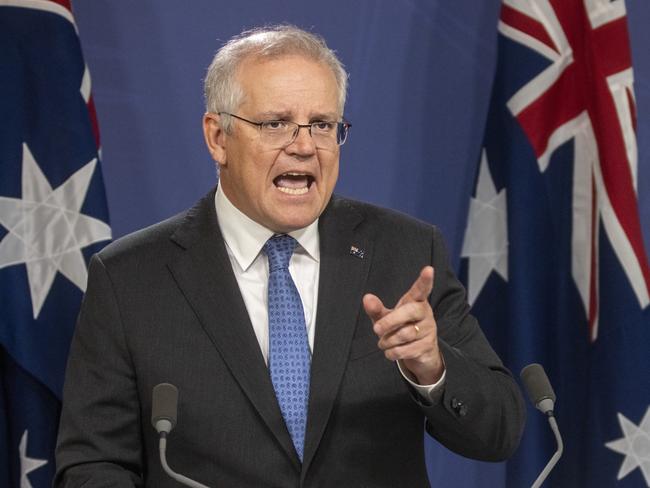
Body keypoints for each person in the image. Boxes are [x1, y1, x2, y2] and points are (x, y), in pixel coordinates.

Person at [55, 25, 525, 487]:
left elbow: (499, 432)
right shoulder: (129, 278)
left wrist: (433, 367)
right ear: (218, 137)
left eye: (322, 125)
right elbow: (92, 466)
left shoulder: (404, 252)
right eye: (275, 123)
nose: (303, 146)